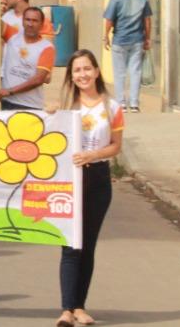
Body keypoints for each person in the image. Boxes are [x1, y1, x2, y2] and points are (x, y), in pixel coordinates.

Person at [55, 49, 124, 327]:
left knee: (88, 245)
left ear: (96, 71)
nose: (82, 74)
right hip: (69, 180)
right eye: (76, 71)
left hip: (97, 179)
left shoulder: (112, 108)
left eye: (87, 69)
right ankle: (66, 309)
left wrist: (92, 156)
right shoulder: (66, 108)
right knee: (70, 244)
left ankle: (80, 306)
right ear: (71, 77)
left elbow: (116, 146)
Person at [103, 0, 153, 113]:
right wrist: (148, 38)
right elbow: (147, 20)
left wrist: (106, 36)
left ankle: (121, 103)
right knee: (135, 71)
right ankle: (134, 104)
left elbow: (109, 19)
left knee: (119, 72)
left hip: (120, 39)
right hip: (137, 40)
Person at [0, 6, 55, 111]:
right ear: (22, 21)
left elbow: (39, 79)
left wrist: (10, 91)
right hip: (7, 102)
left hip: (30, 106)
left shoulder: (47, 48)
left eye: (35, 21)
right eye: (27, 20)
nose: (30, 24)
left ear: (41, 24)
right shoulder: (12, 36)